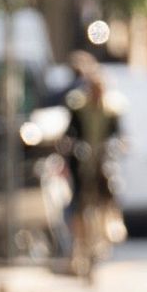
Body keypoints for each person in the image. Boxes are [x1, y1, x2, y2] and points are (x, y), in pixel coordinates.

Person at [59, 52, 121, 277]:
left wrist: (115, 146)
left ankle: (109, 228)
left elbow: (117, 134)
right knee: (75, 201)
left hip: (101, 160)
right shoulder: (77, 106)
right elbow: (70, 132)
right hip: (81, 160)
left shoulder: (111, 109)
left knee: (109, 190)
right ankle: (77, 245)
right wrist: (72, 145)